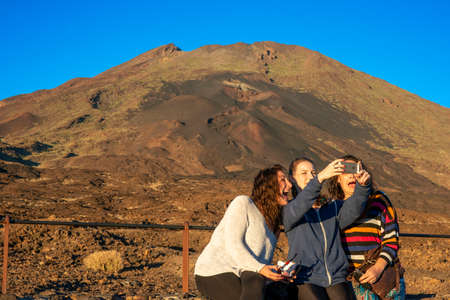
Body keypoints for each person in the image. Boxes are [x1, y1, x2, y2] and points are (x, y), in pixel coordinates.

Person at [194, 164, 291, 300]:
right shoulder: (244, 203)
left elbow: (260, 263)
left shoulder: (274, 226)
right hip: (215, 271)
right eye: (283, 180)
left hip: (248, 274)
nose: (290, 185)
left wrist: (275, 274)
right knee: (256, 282)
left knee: (279, 293)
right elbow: (233, 244)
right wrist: (261, 269)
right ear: (268, 186)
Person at [284, 157, 372, 300]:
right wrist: (319, 178)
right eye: (303, 173)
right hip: (305, 278)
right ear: (292, 179)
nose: (310, 177)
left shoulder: (331, 208)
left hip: (336, 277)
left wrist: (363, 187)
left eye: (313, 172)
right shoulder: (289, 209)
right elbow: (301, 203)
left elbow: (353, 210)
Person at [328, 155, 405, 300]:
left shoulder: (379, 201)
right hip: (351, 280)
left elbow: (391, 240)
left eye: (355, 170)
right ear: (337, 178)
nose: (351, 175)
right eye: (345, 171)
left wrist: (378, 268)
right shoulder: (332, 208)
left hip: (383, 275)